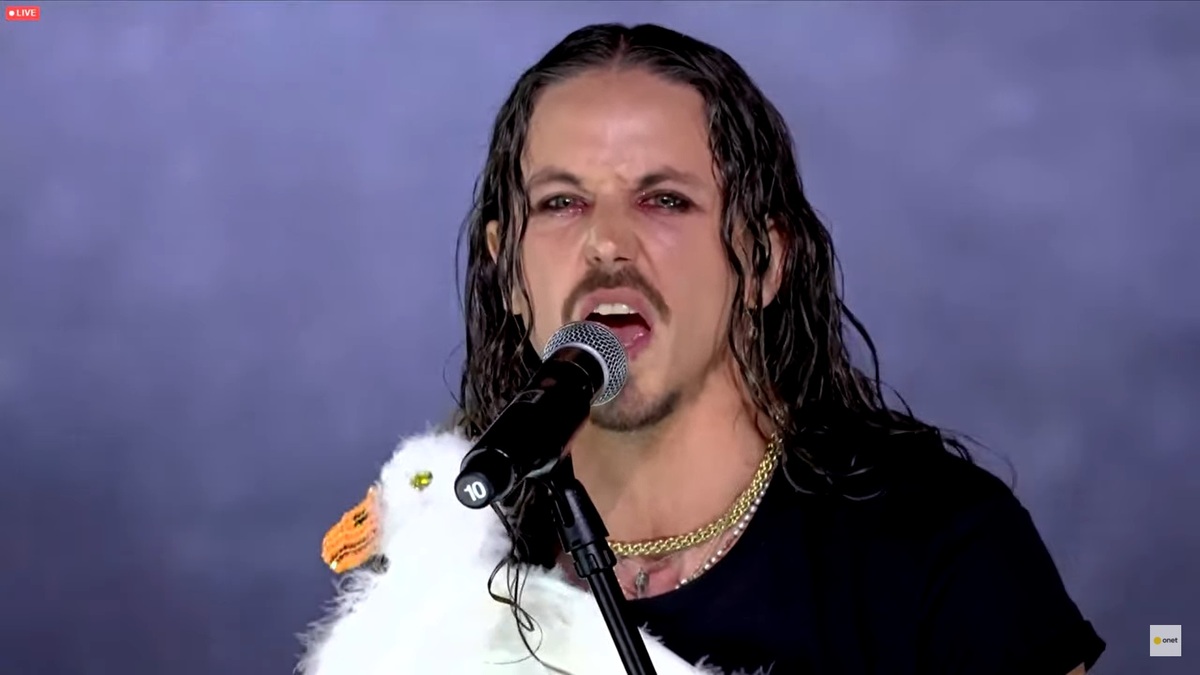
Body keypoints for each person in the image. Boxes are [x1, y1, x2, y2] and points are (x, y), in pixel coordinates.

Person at [299, 23, 1105, 675]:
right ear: (507, 268)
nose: (607, 243)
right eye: (562, 203)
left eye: (664, 199)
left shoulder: (941, 551)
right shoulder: (445, 559)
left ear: (762, 260)